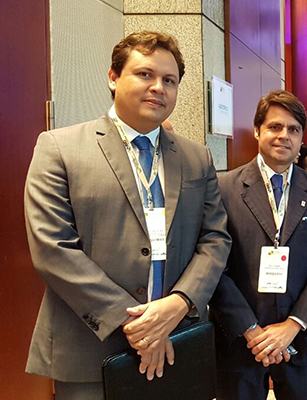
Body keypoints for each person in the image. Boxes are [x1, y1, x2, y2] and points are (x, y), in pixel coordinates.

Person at [23, 31, 231, 399]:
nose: (158, 88)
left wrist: (178, 303)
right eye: (145, 74)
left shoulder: (196, 157)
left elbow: (215, 238)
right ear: (113, 77)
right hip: (88, 349)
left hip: (176, 339)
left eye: (169, 80)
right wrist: (134, 321)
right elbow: (52, 248)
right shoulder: (59, 147)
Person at [209, 90, 307, 400]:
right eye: (275, 127)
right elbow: (215, 265)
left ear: (301, 139)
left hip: (302, 338)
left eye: (293, 130)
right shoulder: (224, 187)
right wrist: (251, 329)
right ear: (257, 131)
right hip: (241, 338)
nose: (284, 136)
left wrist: (292, 326)